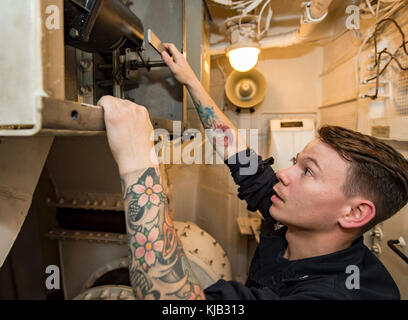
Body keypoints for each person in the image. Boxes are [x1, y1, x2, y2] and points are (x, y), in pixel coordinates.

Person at [98, 43, 408, 300]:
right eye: (297, 162)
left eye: (308, 172)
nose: (285, 174)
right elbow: (241, 157)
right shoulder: (295, 220)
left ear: (354, 213)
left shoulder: (337, 294)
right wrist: (191, 80)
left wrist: (138, 160)